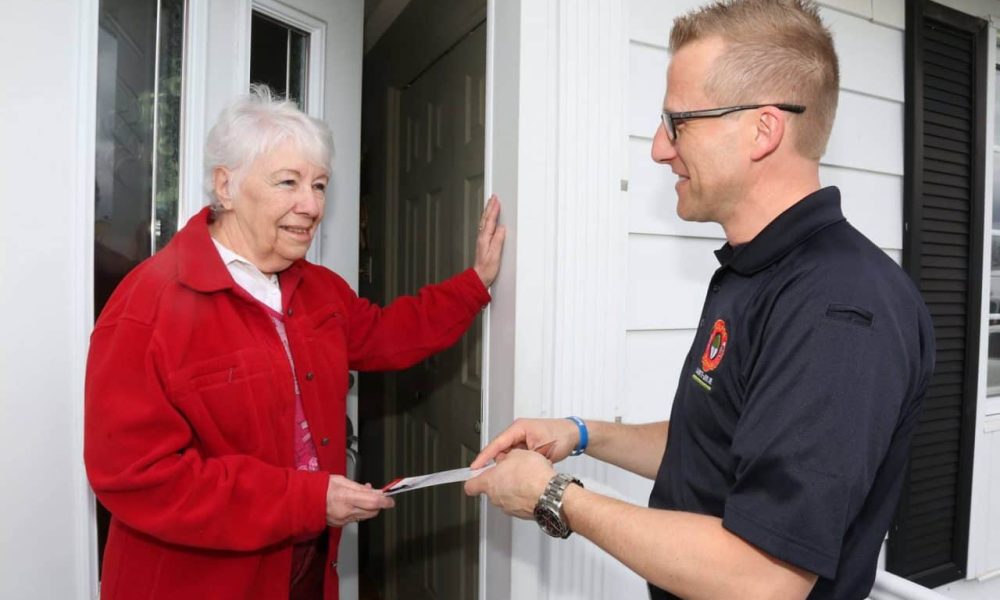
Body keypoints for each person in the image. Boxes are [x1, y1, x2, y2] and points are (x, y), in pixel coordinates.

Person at [464, 1, 934, 598]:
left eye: (677, 122)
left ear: (763, 130)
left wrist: (553, 497)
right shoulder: (754, 271)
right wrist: (582, 434)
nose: (660, 148)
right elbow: (715, 449)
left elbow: (764, 577)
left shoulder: (840, 308)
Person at [84, 85, 506, 600]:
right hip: (201, 580)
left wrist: (475, 284)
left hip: (307, 560)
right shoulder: (146, 306)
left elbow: (390, 332)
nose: (311, 206)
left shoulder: (319, 288)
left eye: (320, 185)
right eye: (289, 182)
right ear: (226, 187)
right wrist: (304, 499)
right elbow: (137, 477)